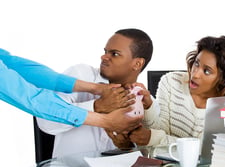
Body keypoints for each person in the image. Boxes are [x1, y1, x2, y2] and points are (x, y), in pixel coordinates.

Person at [110, 35, 225, 148]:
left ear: (223, 79)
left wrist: (154, 138)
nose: (195, 74)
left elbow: (206, 150)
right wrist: (148, 106)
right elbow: (162, 129)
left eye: (207, 71)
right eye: (196, 63)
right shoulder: (171, 82)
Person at [36, 28, 153, 158]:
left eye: (114, 54)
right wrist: (97, 106)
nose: (104, 57)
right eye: (105, 51)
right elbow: (45, 122)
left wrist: (126, 146)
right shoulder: (80, 75)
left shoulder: (145, 102)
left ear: (137, 63)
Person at [0, 48, 142, 133]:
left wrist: (95, 88)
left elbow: (12, 64)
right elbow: (32, 99)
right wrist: (104, 119)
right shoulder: (80, 71)